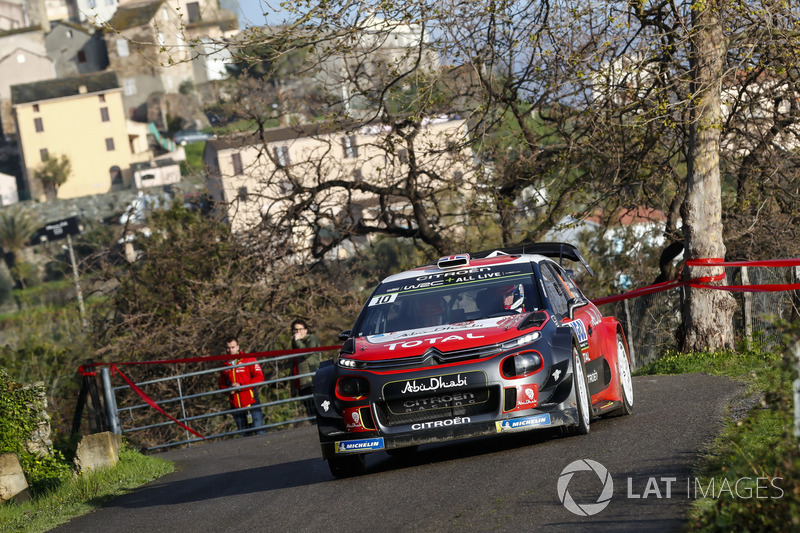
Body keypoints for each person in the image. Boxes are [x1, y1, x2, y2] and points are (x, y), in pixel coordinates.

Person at [218, 336, 265, 436]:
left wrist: (241, 386)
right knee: (244, 436)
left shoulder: (249, 359)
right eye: (228, 348)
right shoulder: (224, 365)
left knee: (259, 431)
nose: (230, 350)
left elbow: (260, 378)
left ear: (238, 347)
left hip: (251, 402)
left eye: (233, 347)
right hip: (235, 406)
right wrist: (228, 390)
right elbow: (221, 385)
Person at [290, 319, 320, 419]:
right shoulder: (295, 343)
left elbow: (307, 353)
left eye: (300, 329)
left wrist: (298, 341)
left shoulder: (311, 339)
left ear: (306, 330)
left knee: (316, 408)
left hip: (311, 380)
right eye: (295, 330)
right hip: (301, 382)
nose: (297, 332)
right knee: (309, 410)